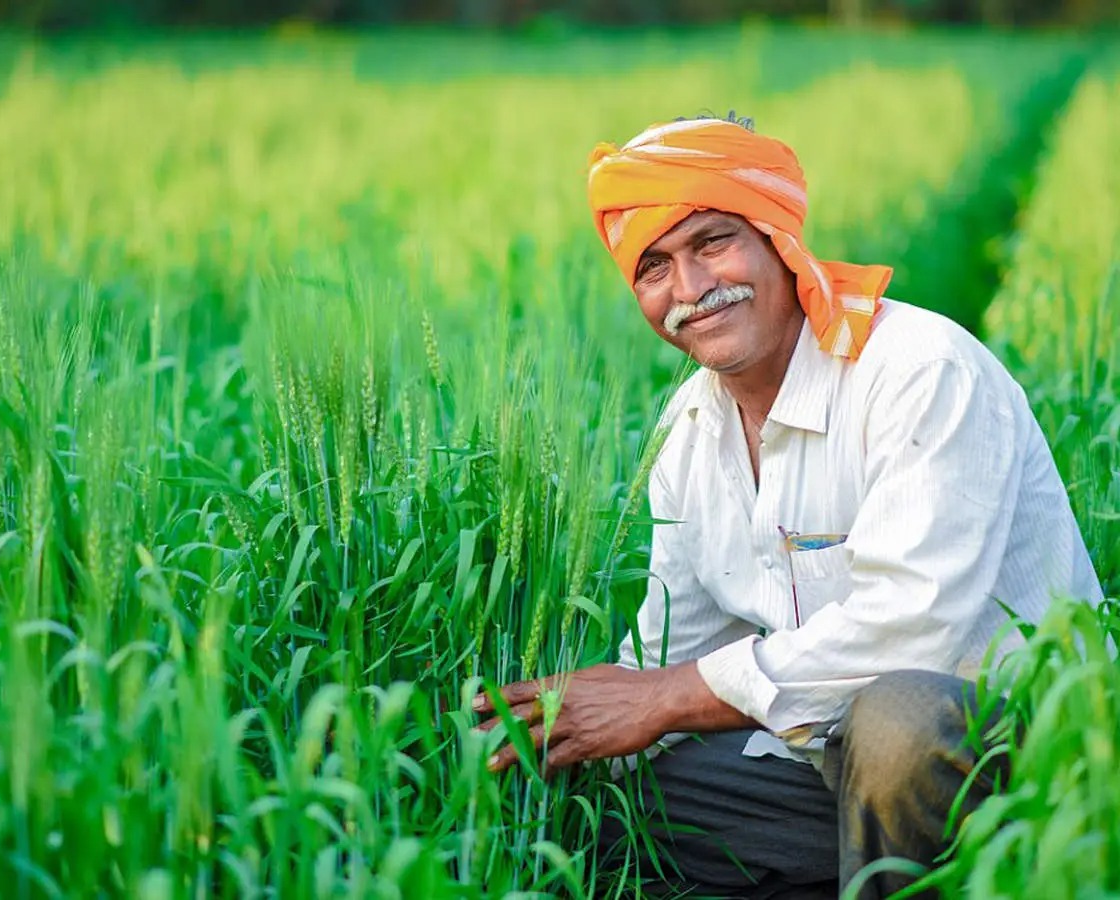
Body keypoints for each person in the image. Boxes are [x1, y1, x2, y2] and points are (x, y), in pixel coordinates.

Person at [471, 116, 1104, 897]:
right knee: (601, 803)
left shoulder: (917, 371)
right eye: (654, 268)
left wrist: (666, 699)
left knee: (899, 717)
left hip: (1017, 765)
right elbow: (678, 643)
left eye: (712, 242)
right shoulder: (688, 432)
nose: (691, 290)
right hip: (828, 768)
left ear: (779, 239)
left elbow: (914, 632)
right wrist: (562, 725)